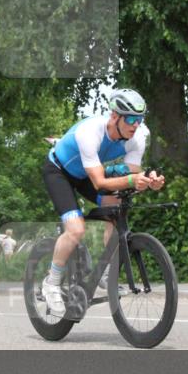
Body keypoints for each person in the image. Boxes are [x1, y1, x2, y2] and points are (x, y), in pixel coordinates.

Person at [40, 88, 165, 316]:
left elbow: (132, 172)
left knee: (116, 210)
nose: (135, 125)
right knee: (76, 230)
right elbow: (99, 182)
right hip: (59, 172)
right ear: (114, 116)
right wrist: (131, 178)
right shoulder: (90, 132)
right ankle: (52, 282)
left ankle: (107, 272)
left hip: (85, 174)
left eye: (139, 119)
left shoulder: (138, 137)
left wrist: (148, 180)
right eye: (130, 119)